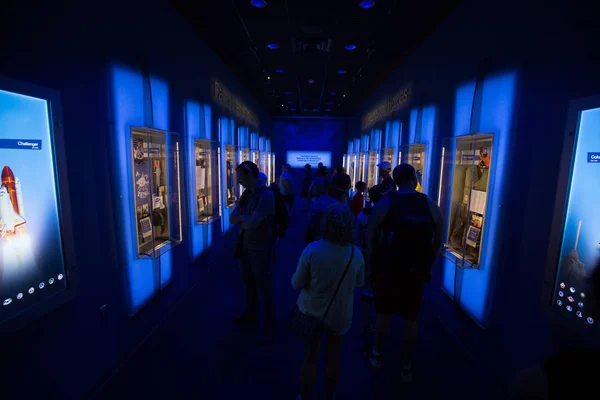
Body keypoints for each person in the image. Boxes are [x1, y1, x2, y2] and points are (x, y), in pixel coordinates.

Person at [364, 164, 443, 382]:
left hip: (388, 269)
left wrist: (371, 268)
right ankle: (406, 366)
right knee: (411, 319)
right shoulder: (430, 205)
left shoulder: (384, 204)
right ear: (414, 178)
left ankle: (377, 355)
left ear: (396, 180)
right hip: (415, 271)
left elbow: (371, 241)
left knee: (383, 313)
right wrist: (427, 267)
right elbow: (437, 243)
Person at [292, 203, 365, 400]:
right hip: (340, 313)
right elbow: (359, 283)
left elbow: (296, 283)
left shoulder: (313, 249)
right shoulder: (355, 253)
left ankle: (305, 395)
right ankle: (330, 396)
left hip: (311, 311)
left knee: (310, 357)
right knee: (333, 357)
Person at [230, 161, 277, 342]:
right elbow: (233, 218)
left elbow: (250, 223)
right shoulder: (246, 195)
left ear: (250, 175)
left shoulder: (266, 196)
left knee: (263, 287)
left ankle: (268, 327)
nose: (239, 180)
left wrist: (243, 218)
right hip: (246, 245)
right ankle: (251, 314)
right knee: (248, 283)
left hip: (261, 248)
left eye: (241, 176)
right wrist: (244, 218)